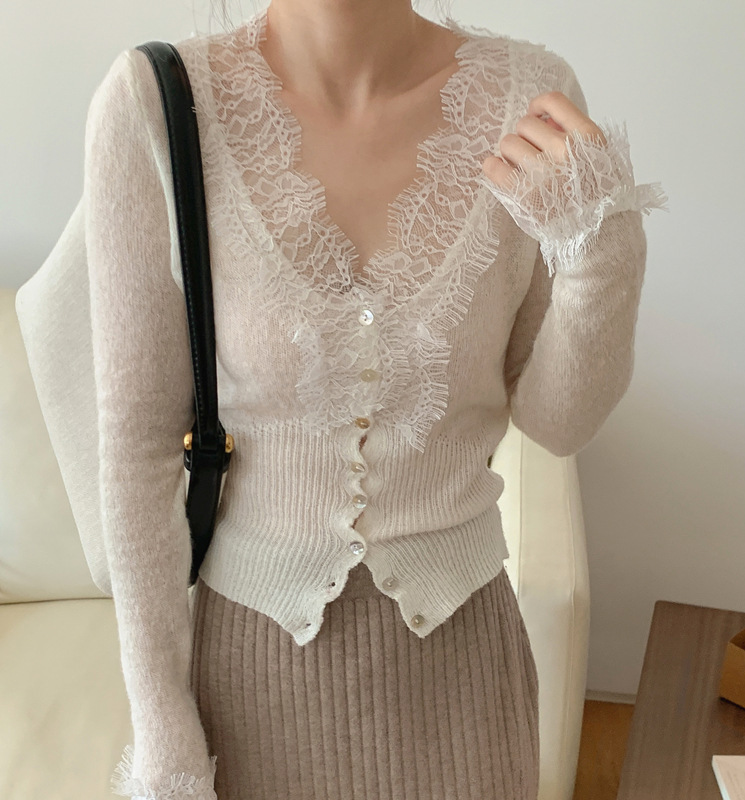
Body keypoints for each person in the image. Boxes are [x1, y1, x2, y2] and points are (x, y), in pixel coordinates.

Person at [77, 0, 668, 797]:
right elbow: (137, 447)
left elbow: (557, 423)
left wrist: (603, 251)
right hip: (245, 685)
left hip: (468, 691)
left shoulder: (528, 96)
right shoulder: (153, 103)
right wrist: (163, 733)